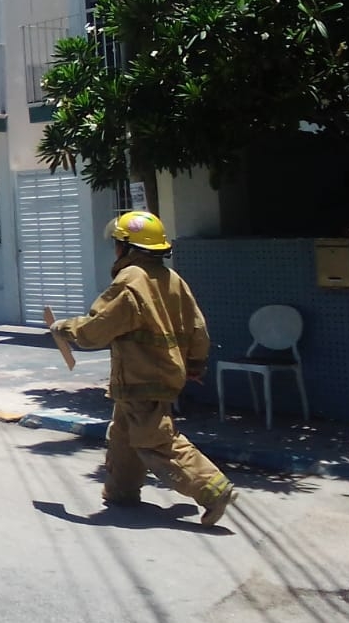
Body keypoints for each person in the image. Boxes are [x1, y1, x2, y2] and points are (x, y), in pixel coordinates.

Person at [48, 210, 237, 527]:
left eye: (117, 243)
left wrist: (64, 328)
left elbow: (96, 330)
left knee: (154, 439)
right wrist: (195, 364)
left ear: (127, 247)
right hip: (157, 375)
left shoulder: (130, 282)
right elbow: (198, 329)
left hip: (141, 375)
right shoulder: (172, 279)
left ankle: (213, 489)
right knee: (123, 434)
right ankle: (121, 492)